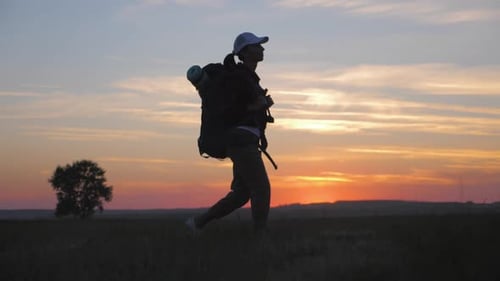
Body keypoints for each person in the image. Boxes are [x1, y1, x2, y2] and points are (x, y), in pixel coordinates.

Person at [186, 32, 274, 234]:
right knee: (261, 188)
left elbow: (240, 108)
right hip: (241, 140)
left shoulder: (247, 78)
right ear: (245, 52)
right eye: (257, 45)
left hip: (244, 140)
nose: (262, 49)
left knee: (242, 193)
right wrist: (257, 106)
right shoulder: (238, 78)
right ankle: (260, 238)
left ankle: (197, 223)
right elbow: (228, 111)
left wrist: (260, 105)